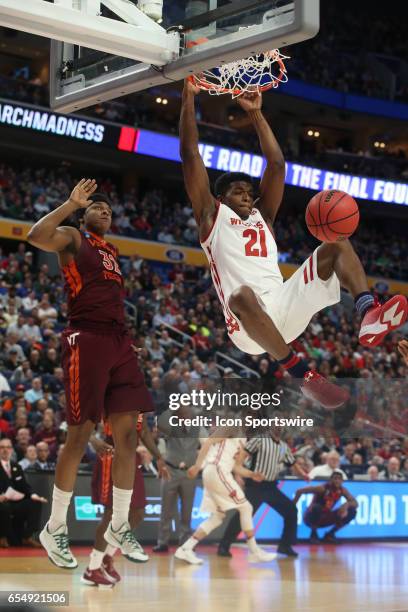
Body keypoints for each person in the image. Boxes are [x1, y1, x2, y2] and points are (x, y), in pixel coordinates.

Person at [179, 80, 408, 410]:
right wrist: (188, 96)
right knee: (240, 294)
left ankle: (368, 311)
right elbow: (189, 154)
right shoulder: (210, 219)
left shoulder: (264, 218)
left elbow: (277, 166)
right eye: (238, 191)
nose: (247, 194)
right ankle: (302, 376)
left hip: (285, 303)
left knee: (336, 244)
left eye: (249, 191)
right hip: (248, 326)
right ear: (219, 199)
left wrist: (257, 114)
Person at [27, 179, 154, 568]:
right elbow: (35, 235)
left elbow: (110, 301)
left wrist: (127, 342)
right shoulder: (72, 237)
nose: (105, 212)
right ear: (84, 214)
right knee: (80, 433)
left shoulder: (112, 251)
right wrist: (69, 204)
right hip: (86, 338)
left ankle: (119, 524)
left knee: (128, 433)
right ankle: (55, 528)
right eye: (97, 208)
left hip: (118, 342)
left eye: (109, 210)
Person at [82, 415, 170, 587]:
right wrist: (93, 439)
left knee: (137, 513)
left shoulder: (138, 397)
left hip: (131, 460)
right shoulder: (107, 393)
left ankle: (107, 557)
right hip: (111, 457)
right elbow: (77, 422)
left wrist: (159, 457)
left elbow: (143, 431)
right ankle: (92, 569)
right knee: (110, 515)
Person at [175, 430, 276, 565]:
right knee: (246, 507)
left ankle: (186, 548)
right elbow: (209, 441)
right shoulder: (232, 425)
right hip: (218, 471)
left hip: (216, 473)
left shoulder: (244, 439)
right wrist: (197, 465)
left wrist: (252, 474)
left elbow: (236, 467)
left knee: (217, 518)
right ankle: (254, 551)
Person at [218, 424, 309, 558]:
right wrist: (238, 472)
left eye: (281, 425)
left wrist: (304, 475)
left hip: (271, 486)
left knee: (291, 511)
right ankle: (224, 546)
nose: (279, 427)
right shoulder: (259, 440)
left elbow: (293, 464)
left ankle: (285, 546)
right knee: (243, 515)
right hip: (255, 486)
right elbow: (242, 455)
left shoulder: (284, 446)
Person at [153, 406, 202, 553]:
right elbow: (159, 424)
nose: (185, 415)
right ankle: (162, 542)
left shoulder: (198, 427)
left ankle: (185, 542)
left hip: (189, 473)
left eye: (187, 412)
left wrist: (199, 463)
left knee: (187, 510)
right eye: (182, 412)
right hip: (171, 470)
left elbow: (207, 443)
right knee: (166, 509)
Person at [0, 438, 47, 547]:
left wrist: (34, 495)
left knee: (35, 503)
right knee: (4, 507)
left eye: (8, 447)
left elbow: (25, 487)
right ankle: (2, 537)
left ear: (12, 450)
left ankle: (27, 537)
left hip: (15, 501)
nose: (5, 450)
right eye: (2, 447)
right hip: (2, 502)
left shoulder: (16, 466)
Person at [294, 470, 358, 543]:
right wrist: (292, 506)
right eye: (335, 478)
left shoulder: (342, 490)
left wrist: (346, 505)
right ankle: (313, 534)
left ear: (342, 481)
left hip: (325, 517)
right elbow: (299, 491)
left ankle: (330, 534)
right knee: (317, 507)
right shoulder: (322, 488)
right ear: (330, 480)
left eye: (339, 479)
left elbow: (355, 503)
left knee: (352, 511)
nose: (337, 481)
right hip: (310, 518)